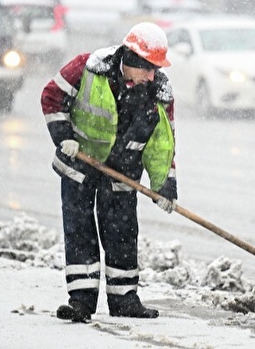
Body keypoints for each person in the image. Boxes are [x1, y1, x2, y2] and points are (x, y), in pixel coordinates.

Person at [40, 22, 178, 322]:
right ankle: (80, 302)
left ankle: (125, 300)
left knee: (123, 235)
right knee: (80, 233)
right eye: (148, 68)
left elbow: (162, 145)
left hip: (122, 173)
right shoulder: (87, 68)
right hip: (80, 166)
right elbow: (52, 96)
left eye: (155, 69)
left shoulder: (159, 93)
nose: (152, 75)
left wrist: (165, 186)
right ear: (131, 60)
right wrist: (64, 136)